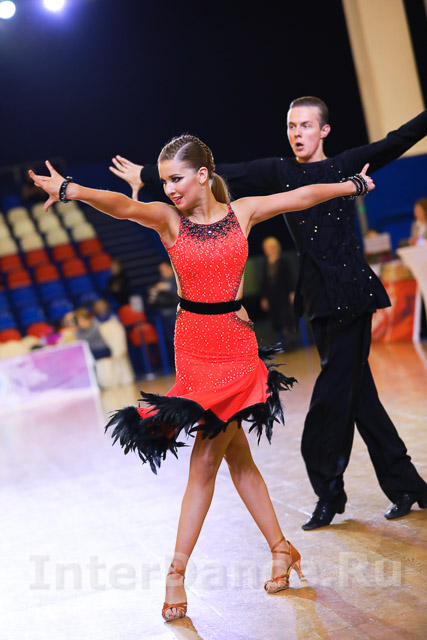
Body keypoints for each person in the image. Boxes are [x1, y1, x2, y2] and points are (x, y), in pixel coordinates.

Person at [29, 136, 373, 620]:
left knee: (205, 461)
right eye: (164, 180)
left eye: (176, 178)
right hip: (193, 350)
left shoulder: (243, 212)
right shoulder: (169, 221)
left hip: (236, 347)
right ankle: (281, 548)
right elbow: (123, 206)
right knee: (237, 459)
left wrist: (350, 185)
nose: (169, 188)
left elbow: (300, 196)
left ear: (203, 175)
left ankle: (176, 572)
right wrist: (72, 190)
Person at [112, 100, 427, 529]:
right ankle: (406, 484)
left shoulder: (347, 164)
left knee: (335, 391)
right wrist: (148, 175)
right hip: (318, 300)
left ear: (324, 130)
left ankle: (327, 487)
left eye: (306, 125)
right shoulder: (280, 171)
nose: (297, 133)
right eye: (291, 125)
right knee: (360, 395)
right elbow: (217, 169)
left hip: (352, 293)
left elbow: (398, 140)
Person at [260, 236, 295, 350]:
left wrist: (291, 293)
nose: (268, 250)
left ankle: (289, 342)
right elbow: (264, 282)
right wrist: (264, 298)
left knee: (285, 318)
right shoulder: (265, 264)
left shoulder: (283, 262)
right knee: (276, 320)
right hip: (272, 296)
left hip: (283, 295)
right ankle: (282, 344)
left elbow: (289, 278)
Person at [147, 260, 179, 366]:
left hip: (176, 314)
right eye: (161, 270)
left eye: (164, 269)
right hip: (165, 315)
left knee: (181, 339)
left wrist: (165, 288)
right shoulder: (161, 280)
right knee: (172, 341)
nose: (163, 271)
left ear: (170, 268)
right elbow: (152, 301)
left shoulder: (176, 279)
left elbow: (178, 293)